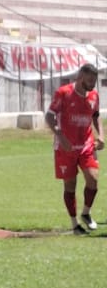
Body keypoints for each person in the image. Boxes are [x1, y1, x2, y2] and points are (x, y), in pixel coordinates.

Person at [46, 63, 104, 233]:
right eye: (89, 81)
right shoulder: (63, 93)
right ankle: (74, 224)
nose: (92, 85)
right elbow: (49, 116)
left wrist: (101, 135)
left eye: (94, 81)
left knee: (93, 179)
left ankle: (86, 213)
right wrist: (60, 135)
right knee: (70, 185)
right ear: (80, 77)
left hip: (86, 144)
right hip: (66, 147)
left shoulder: (94, 95)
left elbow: (96, 116)